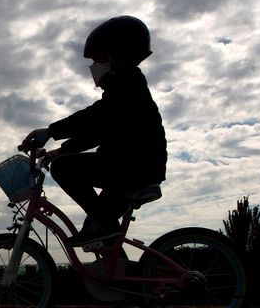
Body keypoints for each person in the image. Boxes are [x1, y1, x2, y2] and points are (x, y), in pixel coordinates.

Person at [21, 15, 167, 248]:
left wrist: (51, 131)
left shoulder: (126, 81)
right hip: (138, 165)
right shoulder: (127, 83)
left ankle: (105, 227)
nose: (94, 65)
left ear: (116, 53)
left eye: (98, 57)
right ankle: (119, 276)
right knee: (98, 229)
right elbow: (103, 130)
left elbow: (97, 117)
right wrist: (61, 149)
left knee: (65, 169)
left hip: (135, 166)